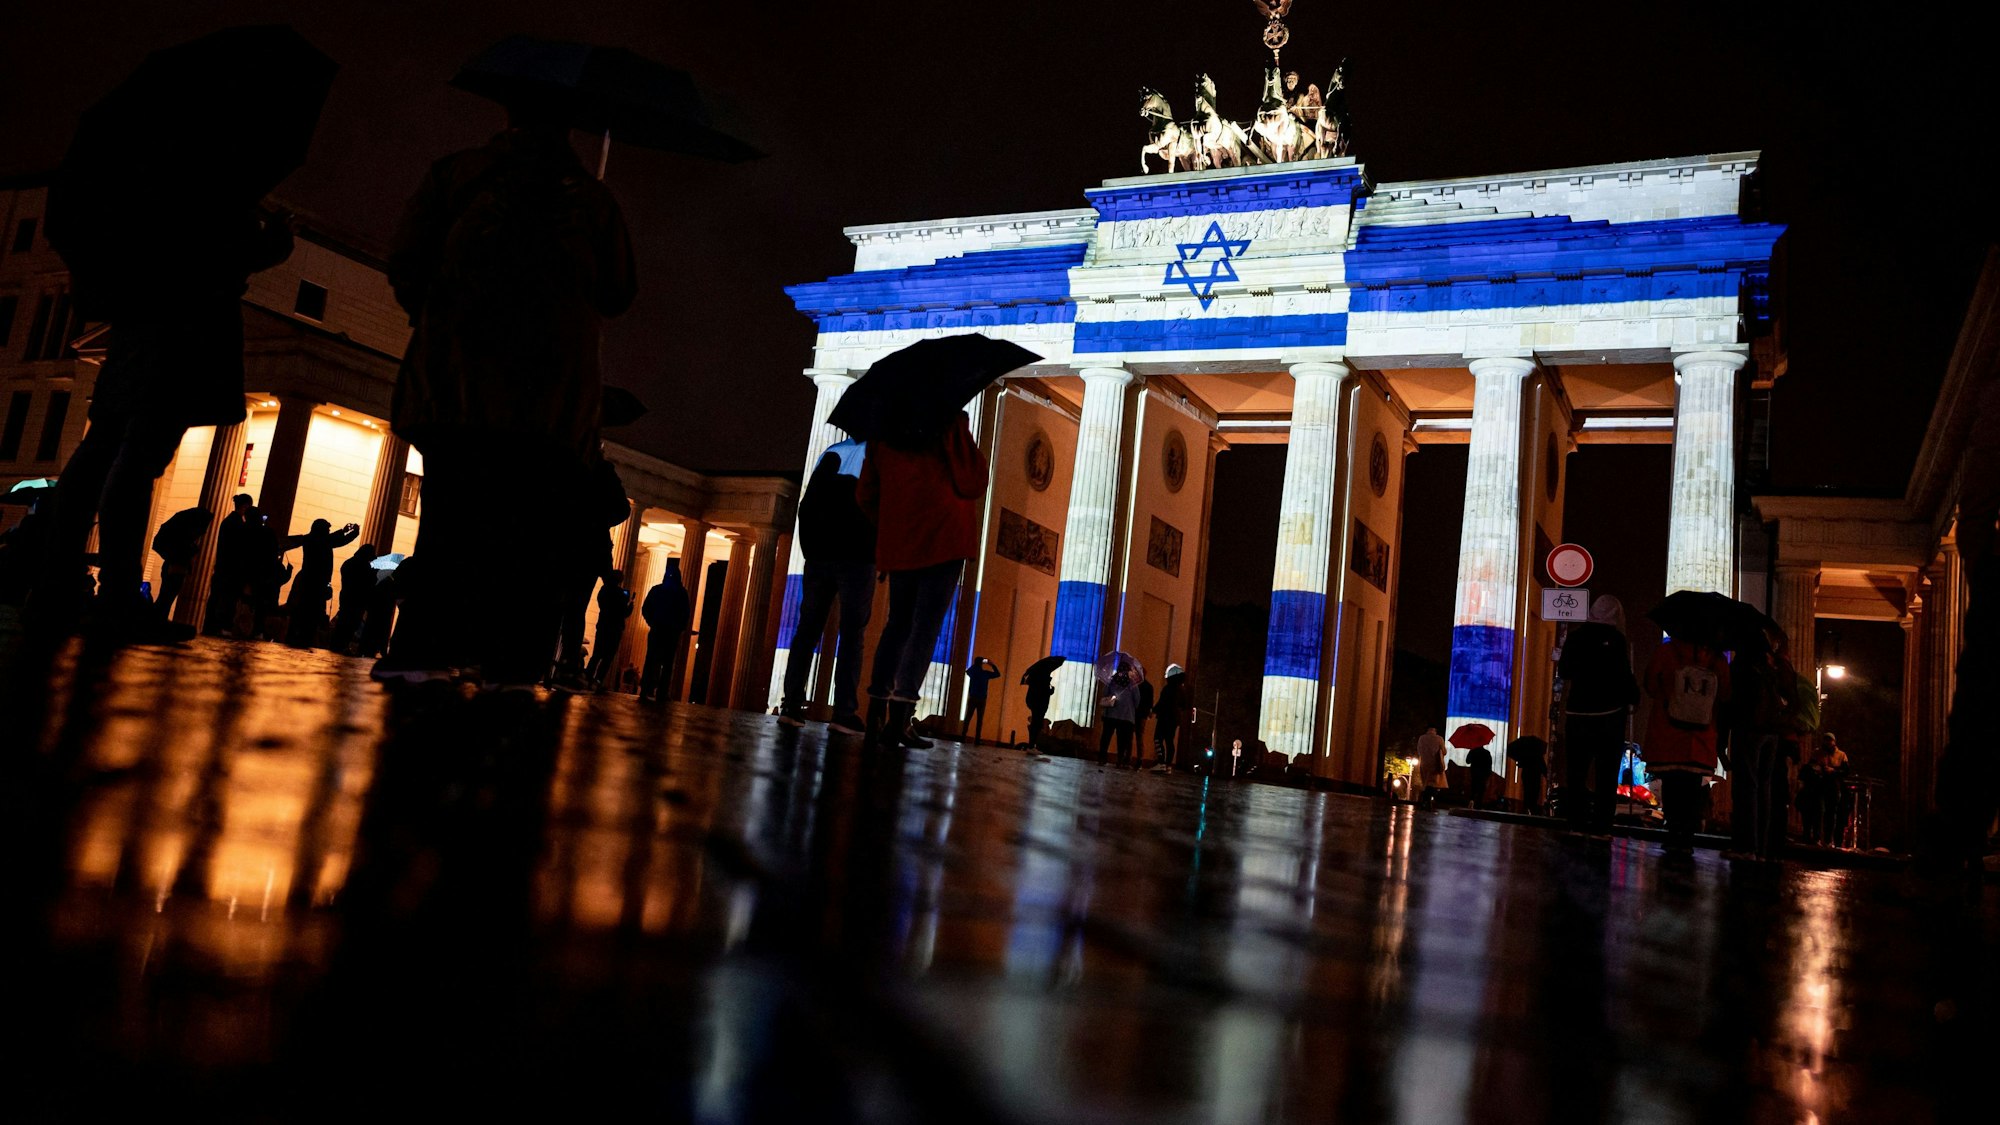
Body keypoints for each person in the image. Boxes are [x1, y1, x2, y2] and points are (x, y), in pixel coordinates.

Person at [374, 97, 636, 687]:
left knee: (449, 512)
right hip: (549, 393)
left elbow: (406, 261)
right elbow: (619, 291)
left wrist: (440, 318)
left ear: (508, 117)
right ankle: (515, 658)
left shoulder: (456, 173)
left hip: (458, 375)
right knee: (533, 524)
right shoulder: (591, 198)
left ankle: (423, 645)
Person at [32, 208, 293, 642]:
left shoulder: (145, 178)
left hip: (140, 325)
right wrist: (273, 241)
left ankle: (55, 588)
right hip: (183, 332)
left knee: (102, 453)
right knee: (135, 463)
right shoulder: (203, 182)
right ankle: (113, 596)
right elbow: (227, 246)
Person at [858, 411, 988, 748]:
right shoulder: (949, 423)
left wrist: (890, 524)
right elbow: (972, 481)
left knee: (897, 623)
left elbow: (866, 495)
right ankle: (899, 720)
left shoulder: (881, 432)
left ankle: (874, 714)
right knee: (925, 628)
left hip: (902, 539)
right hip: (945, 539)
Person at [778, 440, 876, 732]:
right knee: (852, 634)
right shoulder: (878, 457)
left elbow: (806, 508)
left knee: (806, 631)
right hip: (857, 558)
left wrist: (810, 550)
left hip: (820, 557)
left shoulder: (831, 453)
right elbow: (879, 509)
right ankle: (843, 711)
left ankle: (791, 704)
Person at [1643, 626, 1733, 855]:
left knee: (1672, 786)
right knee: (1694, 789)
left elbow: (1651, 685)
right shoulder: (1717, 659)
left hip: (1668, 733)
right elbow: (1725, 694)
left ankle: (1673, 833)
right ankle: (1687, 837)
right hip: (1701, 737)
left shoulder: (1668, 652)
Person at [1558, 596, 1639, 835]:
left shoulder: (1575, 637)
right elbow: (1624, 675)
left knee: (1577, 771)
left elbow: (1564, 670)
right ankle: (1602, 827)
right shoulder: (1616, 640)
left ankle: (1575, 823)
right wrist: (1633, 697)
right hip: (1609, 715)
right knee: (1606, 773)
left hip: (1578, 713)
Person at [282, 518, 360, 648]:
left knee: (300, 611)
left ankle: (294, 637)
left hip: (307, 580)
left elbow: (331, 538)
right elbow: (337, 540)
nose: (328, 531)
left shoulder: (309, 539)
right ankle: (305, 639)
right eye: (327, 529)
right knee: (312, 613)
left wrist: (343, 530)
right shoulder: (323, 541)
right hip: (317, 583)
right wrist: (353, 532)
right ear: (322, 530)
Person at [204, 494, 259, 635]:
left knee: (217, 599)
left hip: (223, 569)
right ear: (245, 506)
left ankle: (212, 627)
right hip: (230, 571)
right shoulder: (237, 524)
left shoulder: (229, 522)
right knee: (225, 602)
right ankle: (220, 627)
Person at [639, 559, 692, 703]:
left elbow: (646, 608)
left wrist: (653, 622)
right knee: (667, 663)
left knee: (652, 660)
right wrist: (679, 627)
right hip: (670, 632)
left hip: (658, 630)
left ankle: (646, 688)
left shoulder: (657, 590)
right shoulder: (681, 593)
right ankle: (661, 692)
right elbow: (685, 613)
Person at [149, 506, 213, 623]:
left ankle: (158, 619)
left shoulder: (180, 532)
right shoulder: (182, 540)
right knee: (167, 595)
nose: (204, 531)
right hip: (176, 565)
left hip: (175, 564)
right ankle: (157, 619)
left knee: (167, 595)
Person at [1799, 732, 1851, 846]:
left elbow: (1846, 772)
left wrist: (1834, 771)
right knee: (1818, 811)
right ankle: (1817, 837)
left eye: (1830, 740)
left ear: (1834, 742)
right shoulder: (1817, 753)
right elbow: (1811, 767)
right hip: (1819, 786)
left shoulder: (1841, 755)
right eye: (1826, 740)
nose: (1828, 742)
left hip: (1833, 786)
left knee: (1831, 813)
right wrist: (1819, 769)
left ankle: (1828, 840)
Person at [586, 569, 632, 690]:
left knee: (597, 654)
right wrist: (630, 604)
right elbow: (624, 612)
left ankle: (587, 677)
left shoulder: (603, 590)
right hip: (615, 628)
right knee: (608, 657)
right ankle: (598, 680)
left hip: (603, 625)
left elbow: (602, 603)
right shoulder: (620, 594)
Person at [331, 543, 379, 653]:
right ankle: (341, 645)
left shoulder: (349, 563)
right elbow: (366, 583)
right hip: (356, 600)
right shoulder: (362, 566)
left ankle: (339, 645)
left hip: (348, 598)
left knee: (345, 622)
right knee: (350, 624)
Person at [1097, 669, 1140, 767]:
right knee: (1122, 740)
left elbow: (1104, 694)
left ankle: (1102, 758)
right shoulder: (1132, 684)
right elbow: (1137, 701)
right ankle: (1120, 760)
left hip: (1110, 715)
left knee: (1106, 738)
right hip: (1126, 717)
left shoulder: (1112, 681)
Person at [1152, 663, 1189, 772]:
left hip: (1164, 717)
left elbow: (1162, 702)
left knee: (1158, 738)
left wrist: (1153, 710)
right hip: (1175, 719)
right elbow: (1184, 705)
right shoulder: (1182, 689)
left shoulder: (1168, 688)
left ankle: (1161, 762)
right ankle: (1168, 765)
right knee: (1169, 740)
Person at [1507, 736, 1549, 815]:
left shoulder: (1525, 755)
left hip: (1526, 775)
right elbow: (1543, 768)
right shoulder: (1537, 756)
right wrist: (1547, 776)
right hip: (1535, 776)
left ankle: (1527, 808)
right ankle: (1532, 808)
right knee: (1534, 793)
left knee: (1527, 792)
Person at [963, 657, 999, 743]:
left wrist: (976, 664)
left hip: (973, 697)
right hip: (982, 699)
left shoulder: (973, 672)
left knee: (968, 717)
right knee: (980, 719)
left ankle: (963, 736)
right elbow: (997, 674)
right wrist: (992, 664)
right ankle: (977, 738)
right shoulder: (985, 674)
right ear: (982, 663)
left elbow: (967, 671)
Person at [1023, 660, 1057, 750]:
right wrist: (1050, 691)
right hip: (1039, 705)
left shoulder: (1035, 678)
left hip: (1036, 703)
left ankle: (1032, 745)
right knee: (1036, 724)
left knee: (1036, 724)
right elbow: (1042, 693)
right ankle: (1032, 745)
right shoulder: (1042, 679)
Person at [1415, 726, 1449, 806]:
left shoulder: (1421, 738)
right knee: (1433, 783)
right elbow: (1444, 751)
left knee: (1426, 782)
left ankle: (1425, 799)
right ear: (1435, 731)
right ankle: (1427, 799)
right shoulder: (1439, 739)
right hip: (1435, 764)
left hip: (1424, 763)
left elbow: (1419, 751)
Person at [1465, 740, 1495, 807]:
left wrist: (1470, 751)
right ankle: (1479, 806)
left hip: (1474, 773)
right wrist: (1488, 775)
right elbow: (1489, 765)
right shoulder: (1487, 753)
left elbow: (1467, 761)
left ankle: (1471, 802)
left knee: (1473, 790)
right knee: (1481, 792)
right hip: (1483, 775)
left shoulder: (1473, 751)